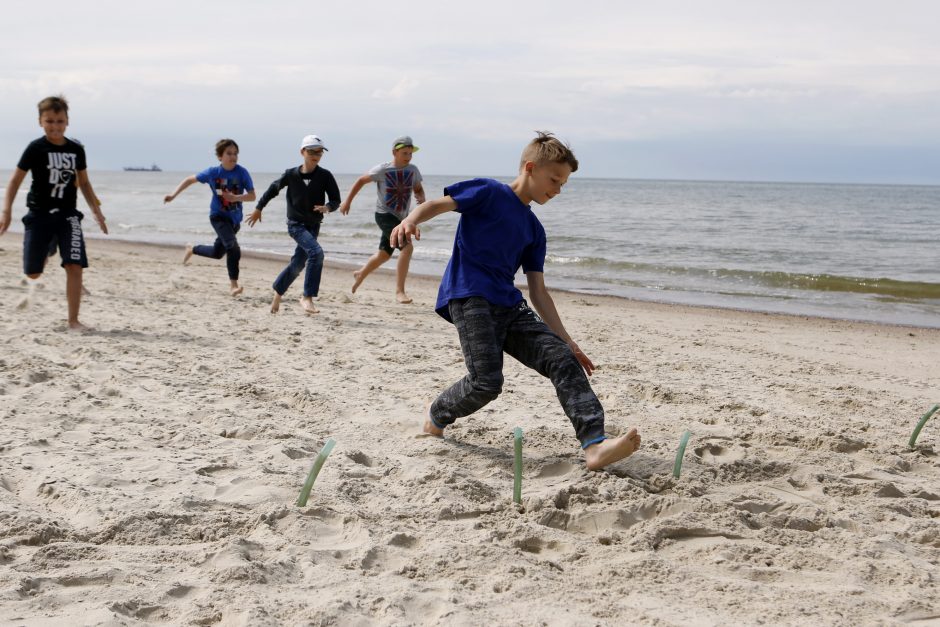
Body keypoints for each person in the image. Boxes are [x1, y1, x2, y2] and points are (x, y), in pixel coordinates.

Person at [390, 131, 641, 471]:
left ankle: (594, 444)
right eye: (554, 179)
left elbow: (538, 291)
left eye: (564, 183)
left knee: (562, 359)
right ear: (530, 167)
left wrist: (567, 341)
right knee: (486, 384)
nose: (558, 189)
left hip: (510, 306)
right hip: (470, 296)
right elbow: (438, 204)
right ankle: (437, 414)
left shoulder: (534, 230)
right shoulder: (489, 191)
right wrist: (409, 220)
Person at [1, 95, 108, 331]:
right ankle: (46, 251)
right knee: (34, 273)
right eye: (49, 121)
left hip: (68, 215)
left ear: (67, 122)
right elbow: (14, 181)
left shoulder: (76, 150)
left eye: (59, 121)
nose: (55, 126)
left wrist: (97, 212)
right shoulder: (35, 148)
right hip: (38, 215)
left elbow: (85, 184)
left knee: (74, 265)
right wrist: (6, 211)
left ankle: (73, 320)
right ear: (40, 121)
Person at [247, 135, 341, 314]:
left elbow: (336, 199)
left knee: (298, 263)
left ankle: (277, 293)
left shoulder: (325, 176)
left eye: (320, 152)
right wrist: (259, 208)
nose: (316, 155)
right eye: (312, 151)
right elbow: (273, 190)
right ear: (302, 152)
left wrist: (327, 207)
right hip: (295, 225)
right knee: (316, 253)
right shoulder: (291, 174)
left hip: (313, 225)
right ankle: (307, 297)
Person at [339, 135, 425, 303]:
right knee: (407, 248)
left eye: (410, 153)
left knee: (384, 254)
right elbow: (361, 180)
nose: (408, 157)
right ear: (394, 152)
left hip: (401, 218)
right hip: (384, 215)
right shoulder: (383, 170)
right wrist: (347, 201)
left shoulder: (413, 170)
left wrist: (421, 198)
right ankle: (400, 291)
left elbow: (418, 188)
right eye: (404, 153)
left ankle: (360, 273)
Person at [163, 139, 255, 296]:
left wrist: (236, 198)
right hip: (218, 217)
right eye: (229, 153)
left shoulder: (242, 172)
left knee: (217, 253)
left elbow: (252, 196)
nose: (233, 157)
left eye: (235, 154)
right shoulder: (213, 173)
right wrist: (173, 195)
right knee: (233, 247)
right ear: (220, 156)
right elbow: (189, 180)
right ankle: (233, 286)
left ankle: (192, 249)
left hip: (234, 221)